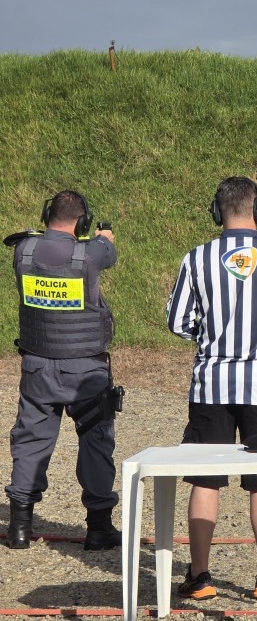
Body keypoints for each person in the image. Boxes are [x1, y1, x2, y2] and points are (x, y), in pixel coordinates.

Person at [166, 175, 257, 601]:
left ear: (217, 212)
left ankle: (200, 576)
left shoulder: (196, 258)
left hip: (210, 385)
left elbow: (177, 321)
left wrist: (210, 337)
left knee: (205, 481)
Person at [4, 190, 122, 551]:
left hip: (37, 366)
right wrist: (103, 236)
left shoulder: (23, 251)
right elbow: (108, 250)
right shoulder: (90, 254)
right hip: (85, 370)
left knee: (31, 440)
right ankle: (98, 527)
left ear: (46, 216)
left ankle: (19, 528)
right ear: (82, 222)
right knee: (95, 441)